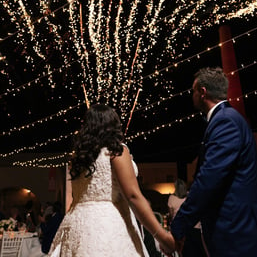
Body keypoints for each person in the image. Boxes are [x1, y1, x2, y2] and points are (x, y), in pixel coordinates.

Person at [169, 67, 257, 257]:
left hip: (237, 231)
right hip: (234, 229)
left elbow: (209, 178)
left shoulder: (225, 121)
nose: (191, 96)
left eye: (193, 91)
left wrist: (179, 224)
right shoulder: (226, 119)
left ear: (202, 92)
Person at [48, 104, 175, 256]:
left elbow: (71, 199)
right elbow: (133, 196)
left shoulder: (77, 158)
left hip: (77, 225)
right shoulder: (115, 152)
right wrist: (162, 237)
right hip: (109, 224)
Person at [168, 179, 206, 257]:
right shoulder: (190, 196)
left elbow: (171, 215)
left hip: (181, 229)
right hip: (196, 228)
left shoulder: (172, 198)